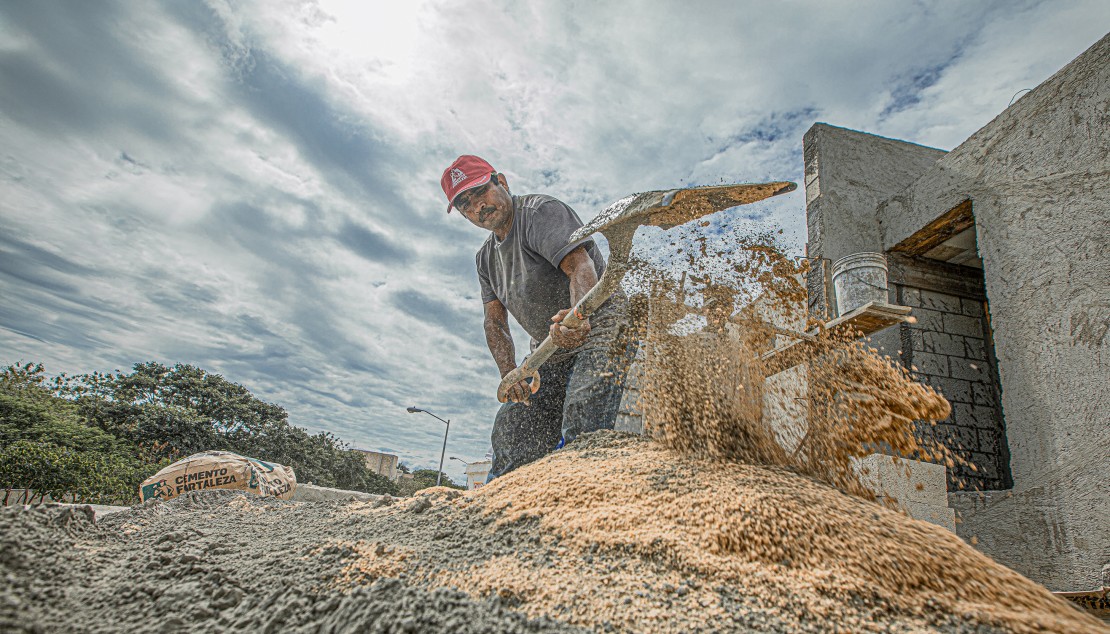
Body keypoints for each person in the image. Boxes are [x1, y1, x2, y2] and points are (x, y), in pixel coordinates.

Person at [440, 155, 633, 478]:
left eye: (480, 192)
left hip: (602, 326)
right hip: (550, 346)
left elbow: (580, 267)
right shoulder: (485, 259)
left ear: (502, 182)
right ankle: (503, 501)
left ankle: (584, 490)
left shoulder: (539, 213)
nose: (477, 206)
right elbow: (494, 321)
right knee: (514, 429)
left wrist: (579, 317)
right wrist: (511, 373)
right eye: (465, 204)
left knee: (584, 413)